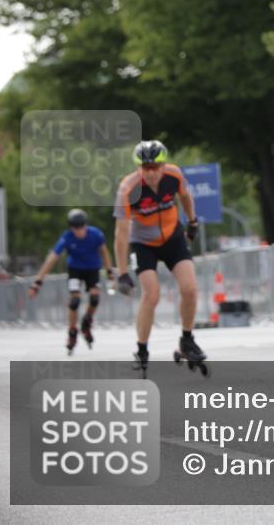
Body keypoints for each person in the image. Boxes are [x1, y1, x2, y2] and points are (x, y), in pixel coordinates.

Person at [113, 140, 206, 374]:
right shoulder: (128, 188)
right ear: (138, 168)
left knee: (190, 288)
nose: (151, 172)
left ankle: (187, 340)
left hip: (173, 237)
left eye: (156, 167)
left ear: (164, 165)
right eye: (146, 168)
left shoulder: (174, 175)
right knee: (152, 295)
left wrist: (192, 220)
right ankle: (142, 349)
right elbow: (121, 233)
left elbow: (185, 196)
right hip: (143, 243)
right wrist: (122, 272)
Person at [28, 209, 113, 353]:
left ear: (86, 225)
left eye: (82, 227)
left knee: (94, 299)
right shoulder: (67, 238)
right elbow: (52, 259)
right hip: (75, 269)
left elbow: (105, 252)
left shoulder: (96, 234)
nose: (79, 231)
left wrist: (109, 271)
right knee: (75, 301)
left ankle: (86, 322)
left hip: (92, 269)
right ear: (71, 227)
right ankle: (72, 332)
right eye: (76, 228)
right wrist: (37, 282)